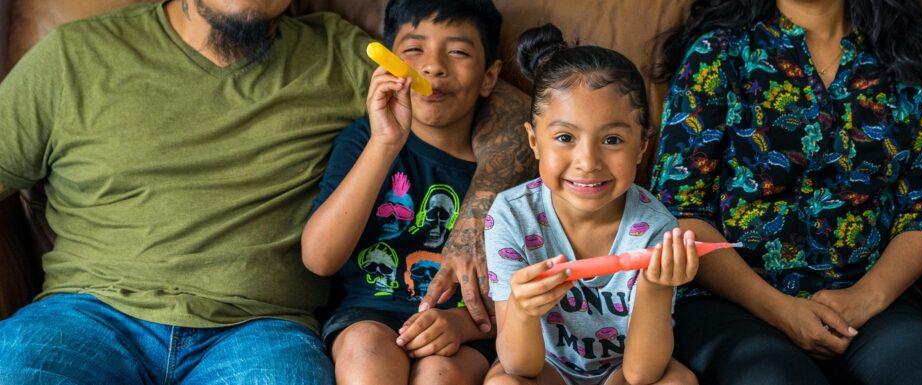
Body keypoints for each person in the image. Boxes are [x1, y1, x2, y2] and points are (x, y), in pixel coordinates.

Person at [0, 0, 533, 383]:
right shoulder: (76, 55)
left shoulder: (341, 55)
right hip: (86, 316)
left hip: (259, 333)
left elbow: (504, 106)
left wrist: (474, 218)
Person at [650, 0, 922, 384]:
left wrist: (866, 299)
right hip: (734, 303)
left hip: (869, 301)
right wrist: (779, 310)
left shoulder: (906, 57)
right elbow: (680, 211)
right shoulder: (719, 53)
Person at [483, 24, 699, 385]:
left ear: (642, 146)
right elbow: (521, 366)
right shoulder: (510, 216)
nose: (588, 162)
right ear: (534, 141)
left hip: (620, 372)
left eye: (612, 139)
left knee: (679, 382)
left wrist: (657, 287)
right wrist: (521, 309)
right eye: (565, 137)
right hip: (549, 367)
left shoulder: (657, 228)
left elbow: (641, 374)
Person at [300, 0, 504, 384]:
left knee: (440, 375)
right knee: (366, 356)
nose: (433, 66)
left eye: (458, 51)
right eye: (414, 50)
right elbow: (319, 258)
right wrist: (385, 142)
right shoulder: (364, 141)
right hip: (365, 314)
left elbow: (519, 285)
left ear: (489, 77)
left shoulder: (503, 169)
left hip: (464, 327)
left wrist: (463, 324)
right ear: (390, 63)